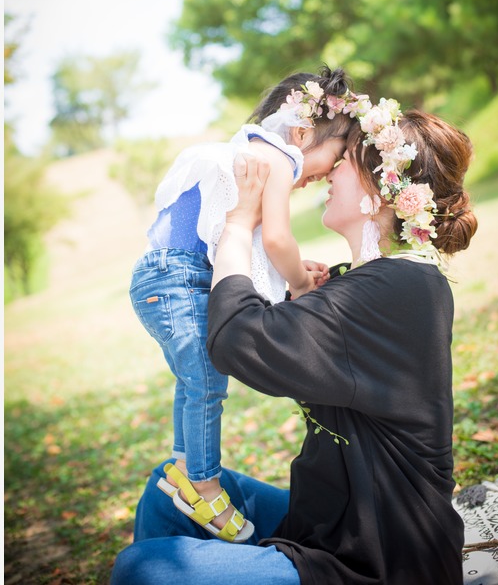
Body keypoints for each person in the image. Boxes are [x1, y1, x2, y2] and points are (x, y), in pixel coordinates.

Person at [112, 99, 480, 585]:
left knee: (143, 570)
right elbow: (287, 335)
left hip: (381, 556)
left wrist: (238, 225)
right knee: (169, 489)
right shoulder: (370, 282)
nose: (330, 172)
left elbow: (237, 340)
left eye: (346, 161)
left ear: (383, 193)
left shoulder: (401, 288)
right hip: (326, 521)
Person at [128, 67, 363, 543]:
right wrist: (299, 281)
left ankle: (184, 468)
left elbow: (247, 247)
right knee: (206, 383)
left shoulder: (251, 153)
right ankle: (204, 484)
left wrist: (297, 268)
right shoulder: (276, 159)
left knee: (195, 380)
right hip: (179, 277)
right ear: (302, 132)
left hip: (170, 275)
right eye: (335, 156)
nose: (326, 175)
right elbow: (276, 238)